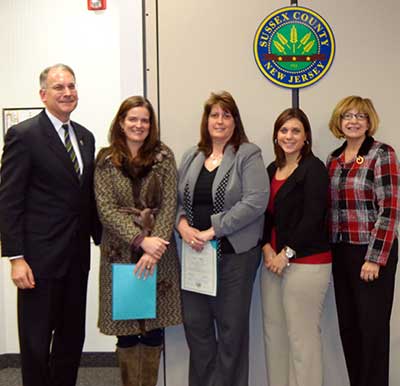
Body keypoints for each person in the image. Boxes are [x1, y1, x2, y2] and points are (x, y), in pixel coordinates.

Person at [0, 64, 101, 386]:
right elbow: (9, 199)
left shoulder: (85, 137)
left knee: (72, 339)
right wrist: (16, 258)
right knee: (35, 342)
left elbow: (85, 197)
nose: (68, 92)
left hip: (75, 259)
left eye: (71, 86)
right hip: (38, 262)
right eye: (59, 87)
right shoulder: (24, 135)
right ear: (43, 94)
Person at [176, 91, 268, 386]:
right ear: (206, 120)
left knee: (232, 333)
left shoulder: (248, 154)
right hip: (196, 256)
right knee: (197, 329)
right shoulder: (192, 155)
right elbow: (176, 199)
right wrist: (181, 225)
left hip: (234, 257)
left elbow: (255, 202)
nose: (219, 120)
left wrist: (213, 230)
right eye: (214, 115)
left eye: (226, 115)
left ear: (235, 121)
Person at [94, 96, 182, 386]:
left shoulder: (164, 157)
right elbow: (105, 208)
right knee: (127, 330)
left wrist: (154, 246)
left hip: (160, 251)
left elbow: (170, 204)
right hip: (119, 254)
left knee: (154, 329)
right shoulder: (105, 160)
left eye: (145, 120)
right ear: (121, 122)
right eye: (132, 119)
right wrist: (140, 240)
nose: (139, 125)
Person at [327, 96, 399, 386]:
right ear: (339, 122)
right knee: (350, 330)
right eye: (347, 116)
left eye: (360, 116)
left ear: (369, 122)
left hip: (372, 255)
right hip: (341, 252)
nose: (353, 121)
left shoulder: (382, 154)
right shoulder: (333, 159)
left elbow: (390, 209)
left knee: (372, 332)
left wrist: (374, 258)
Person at [260, 108, 332, 386]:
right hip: (272, 263)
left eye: (296, 131)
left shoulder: (314, 169)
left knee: (302, 341)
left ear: (306, 137)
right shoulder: (271, 169)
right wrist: (267, 247)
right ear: (276, 135)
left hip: (306, 264)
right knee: (274, 336)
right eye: (284, 130)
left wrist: (286, 253)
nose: (289, 136)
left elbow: (313, 217)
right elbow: (263, 215)